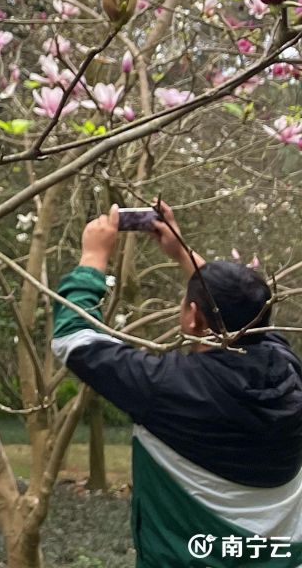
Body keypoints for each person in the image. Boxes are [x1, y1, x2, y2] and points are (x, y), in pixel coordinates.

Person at [53, 202, 302, 564]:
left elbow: (73, 340)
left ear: (193, 317)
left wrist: (93, 256)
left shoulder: (165, 390)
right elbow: (250, 317)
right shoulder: (288, 371)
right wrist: (181, 250)